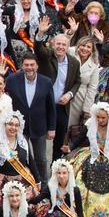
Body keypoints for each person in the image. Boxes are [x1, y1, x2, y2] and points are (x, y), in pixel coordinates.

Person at [5, 53, 56, 181]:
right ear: (22, 66)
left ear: (37, 66)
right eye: (26, 65)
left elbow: (51, 107)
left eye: (32, 65)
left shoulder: (46, 82)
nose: (29, 68)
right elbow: (4, 98)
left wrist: (52, 128)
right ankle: (26, 183)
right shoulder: (12, 80)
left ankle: (43, 184)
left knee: (41, 159)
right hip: (19, 128)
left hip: (39, 127)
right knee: (22, 157)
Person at [35, 32, 80, 162]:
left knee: (60, 139)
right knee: (40, 139)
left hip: (61, 107)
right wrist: (40, 35)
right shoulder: (47, 57)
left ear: (68, 47)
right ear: (53, 44)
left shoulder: (74, 62)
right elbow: (39, 50)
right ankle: (39, 166)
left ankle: (55, 167)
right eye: (58, 43)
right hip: (44, 106)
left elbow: (78, 81)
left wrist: (70, 94)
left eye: (64, 44)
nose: (60, 47)